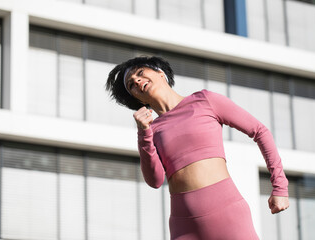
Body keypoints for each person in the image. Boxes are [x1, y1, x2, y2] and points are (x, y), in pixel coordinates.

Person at [106, 56, 289, 239]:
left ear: (161, 74)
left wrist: (280, 187)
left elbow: (260, 131)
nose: (137, 81)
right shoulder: (149, 130)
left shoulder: (205, 101)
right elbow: (155, 180)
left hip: (227, 214)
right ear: (136, 98)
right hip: (183, 224)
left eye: (140, 73)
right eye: (131, 85)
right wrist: (143, 133)